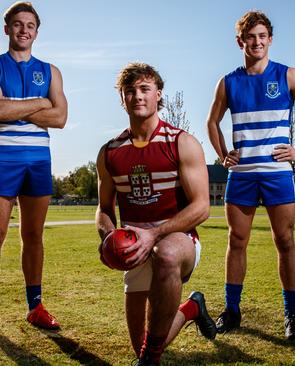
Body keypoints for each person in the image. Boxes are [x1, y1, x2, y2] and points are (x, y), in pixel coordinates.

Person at [206, 10, 295, 340]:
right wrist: (222, 155)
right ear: (240, 42)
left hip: (277, 174)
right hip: (243, 174)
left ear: (270, 40)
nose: (257, 42)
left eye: (262, 36)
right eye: (251, 37)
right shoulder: (228, 82)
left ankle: (292, 316)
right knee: (236, 241)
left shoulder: (288, 75)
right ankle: (232, 311)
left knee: (285, 241)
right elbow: (212, 122)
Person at [96, 62, 216, 365]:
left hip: (177, 238)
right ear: (122, 99)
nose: (138, 96)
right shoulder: (110, 151)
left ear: (158, 94)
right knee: (144, 343)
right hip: (135, 246)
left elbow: (202, 207)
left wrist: (154, 234)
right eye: (130, 91)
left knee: (166, 254)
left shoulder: (181, 142)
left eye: (145, 89)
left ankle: (149, 361)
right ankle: (192, 309)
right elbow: (104, 209)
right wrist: (108, 238)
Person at [0, 1, 68, 334]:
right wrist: (41, 103)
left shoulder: (51, 70)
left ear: (37, 31)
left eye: (30, 25)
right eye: (18, 24)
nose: (24, 30)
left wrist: (18, 108)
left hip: (38, 160)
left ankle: (36, 307)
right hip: (4, 158)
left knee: (33, 237)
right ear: (6, 28)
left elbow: (61, 118)